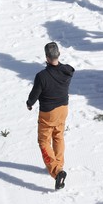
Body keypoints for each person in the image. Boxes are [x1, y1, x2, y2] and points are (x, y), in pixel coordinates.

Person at [26, 42, 74, 190]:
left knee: (44, 141)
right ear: (58, 54)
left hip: (48, 112)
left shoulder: (42, 76)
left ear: (47, 57)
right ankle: (58, 164)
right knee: (58, 136)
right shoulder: (67, 71)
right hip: (63, 109)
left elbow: (35, 94)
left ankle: (56, 171)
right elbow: (67, 68)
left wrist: (29, 103)